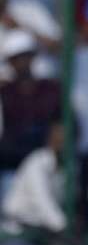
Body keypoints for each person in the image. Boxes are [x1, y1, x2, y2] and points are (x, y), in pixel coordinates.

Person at [0, 29, 60, 170]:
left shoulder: (51, 88)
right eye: (16, 58)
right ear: (10, 62)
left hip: (46, 156)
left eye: (25, 56)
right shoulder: (5, 91)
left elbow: (67, 123)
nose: (22, 62)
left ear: (33, 57)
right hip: (10, 159)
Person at [1, 119, 66, 238]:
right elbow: (41, 198)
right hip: (17, 231)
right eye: (58, 139)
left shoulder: (68, 166)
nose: (62, 143)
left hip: (43, 231)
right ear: (49, 139)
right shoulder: (37, 162)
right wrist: (61, 225)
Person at [0, 0, 61, 79]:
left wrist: (20, 27)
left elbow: (58, 47)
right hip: (5, 89)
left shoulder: (30, 8)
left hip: (43, 84)